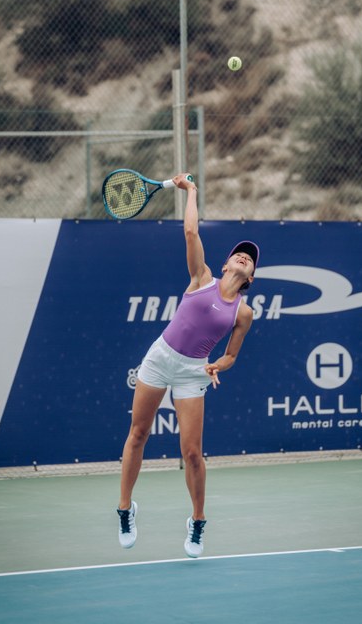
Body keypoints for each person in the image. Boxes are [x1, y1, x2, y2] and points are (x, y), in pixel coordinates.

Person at [116, 172, 260, 558]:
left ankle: (197, 521)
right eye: (239, 254)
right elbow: (191, 232)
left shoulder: (243, 313)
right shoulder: (202, 278)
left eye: (250, 259)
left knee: (192, 452)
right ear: (226, 264)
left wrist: (218, 367)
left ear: (251, 276)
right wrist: (191, 191)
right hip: (160, 357)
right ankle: (125, 508)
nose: (243, 257)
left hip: (193, 372)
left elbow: (231, 355)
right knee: (138, 434)